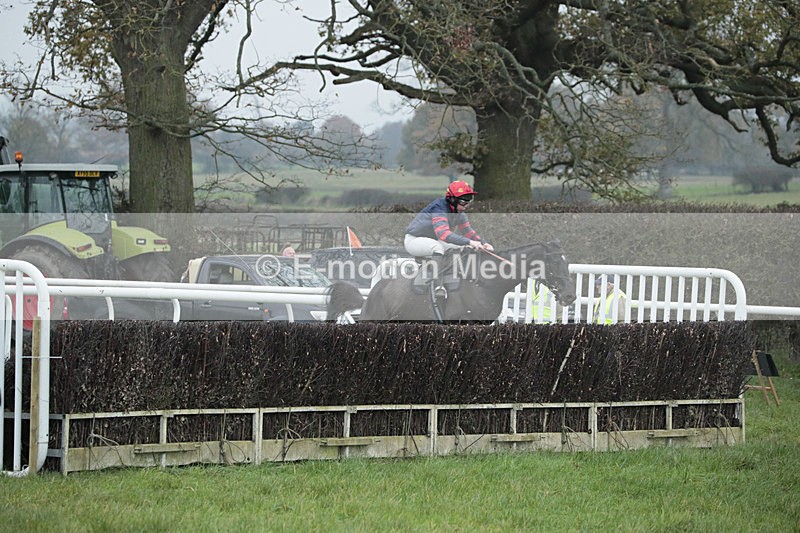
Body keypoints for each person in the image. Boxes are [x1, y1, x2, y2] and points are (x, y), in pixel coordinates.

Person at [404, 180, 493, 296]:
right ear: (452, 200)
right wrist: (471, 242)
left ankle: (456, 276)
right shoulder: (439, 208)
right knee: (437, 248)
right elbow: (444, 235)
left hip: (432, 240)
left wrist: (482, 243)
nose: (465, 207)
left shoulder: (458, 213)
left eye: (468, 203)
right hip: (414, 240)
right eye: (463, 203)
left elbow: (468, 231)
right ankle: (438, 286)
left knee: (463, 246)